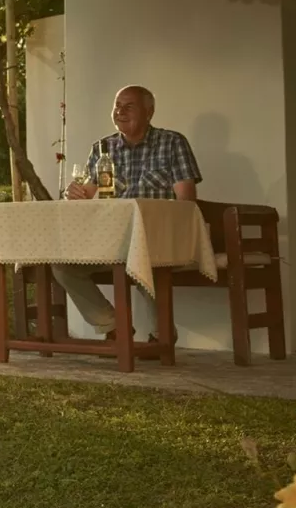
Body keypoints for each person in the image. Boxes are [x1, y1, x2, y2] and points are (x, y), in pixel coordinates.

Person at [53, 85, 202, 342]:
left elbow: (186, 201)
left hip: (157, 238)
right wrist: (74, 194)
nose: (120, 111)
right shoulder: (102, 148)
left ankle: (162, 334)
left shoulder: (172, 142)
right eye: (117, 105)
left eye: (129, 106)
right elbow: (86, 195)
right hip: (112, 239)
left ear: (149, 112)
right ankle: (114, 327)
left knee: (144, 252)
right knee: (62, 265)